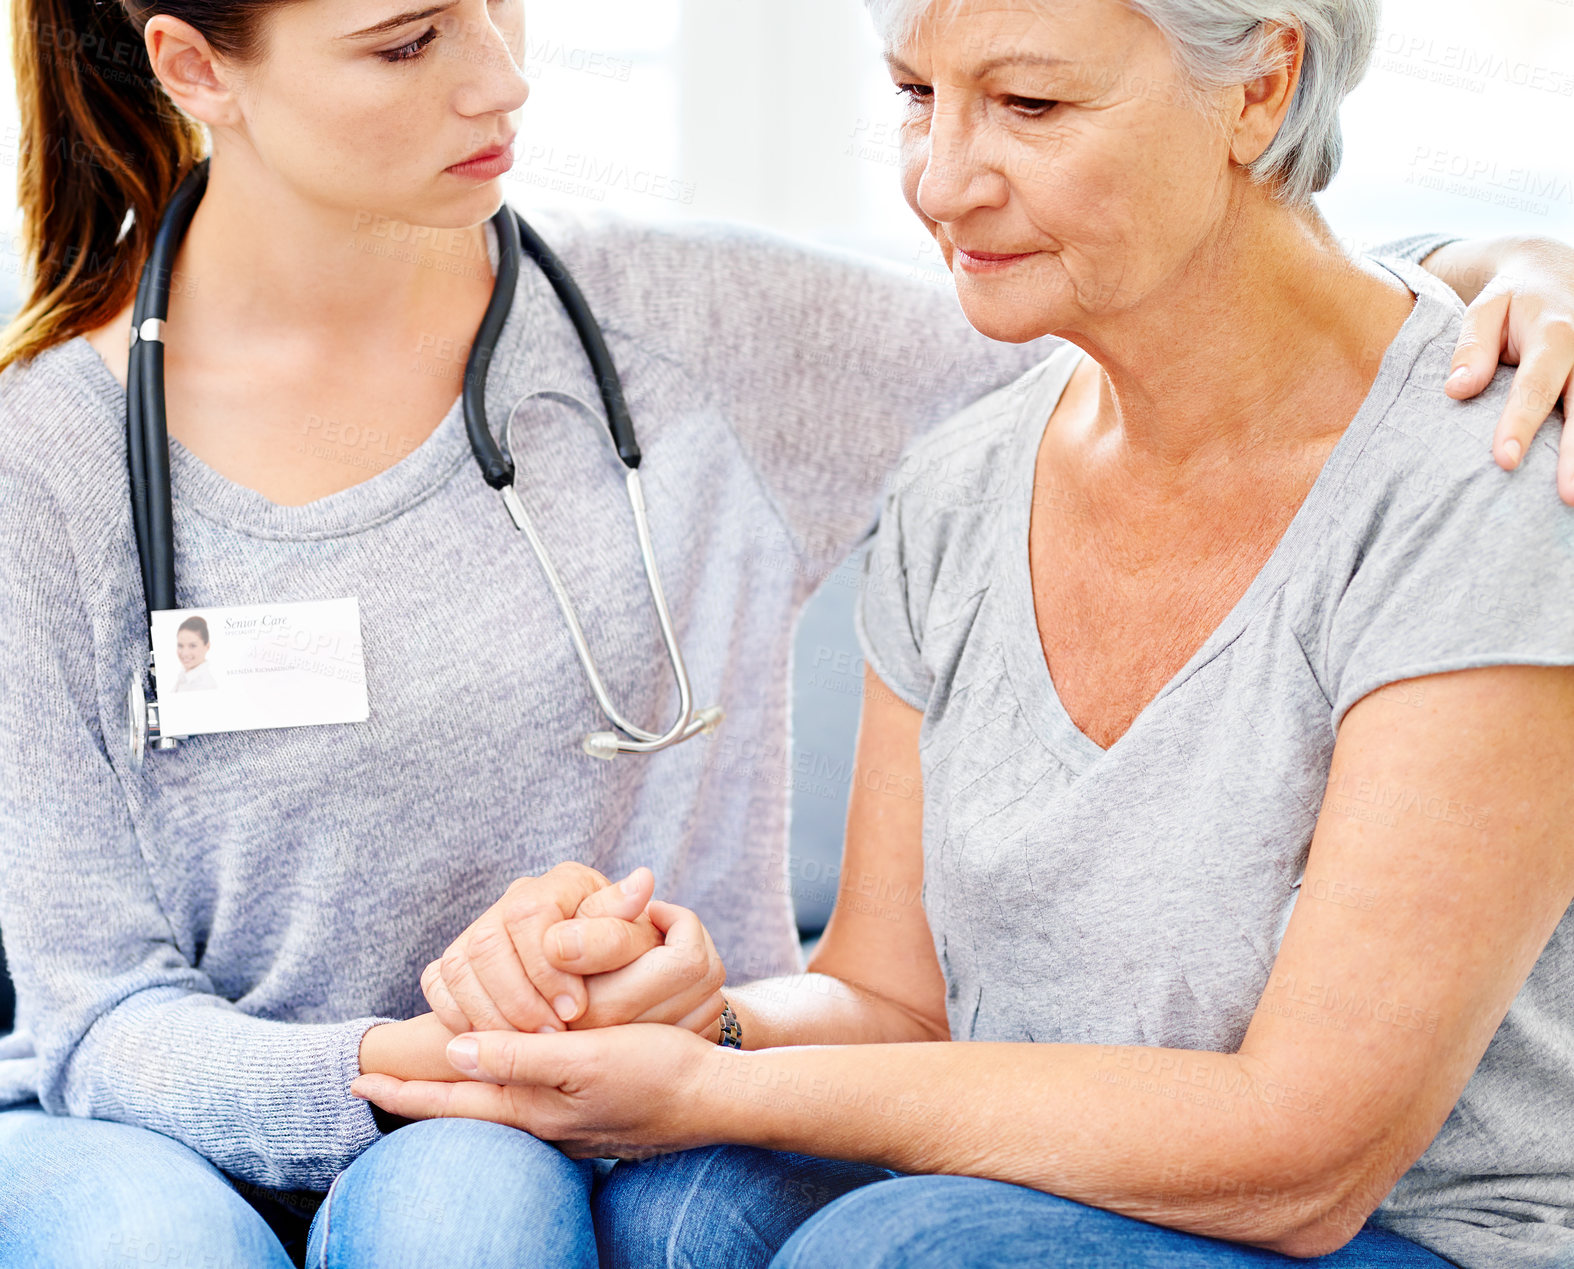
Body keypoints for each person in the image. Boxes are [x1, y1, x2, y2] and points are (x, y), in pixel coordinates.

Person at [0, 0, 1570, 1266]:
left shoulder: (709, 339)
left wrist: (1500, 267)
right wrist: (618, 1044)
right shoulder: (52, 459)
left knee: (788, 1233)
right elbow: (885, 999)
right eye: (913, 93)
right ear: (197, 69)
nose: (940, 179)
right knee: (551, 1200)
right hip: (287, 1107)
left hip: (1322, 1210)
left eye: (1023, 106)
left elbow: (1252, 340)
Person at [173, 614, 220, 691]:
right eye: (180, 646)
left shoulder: (205, 685)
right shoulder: (184, 676)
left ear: (207, 646)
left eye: (192, 646)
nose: (185, 653)